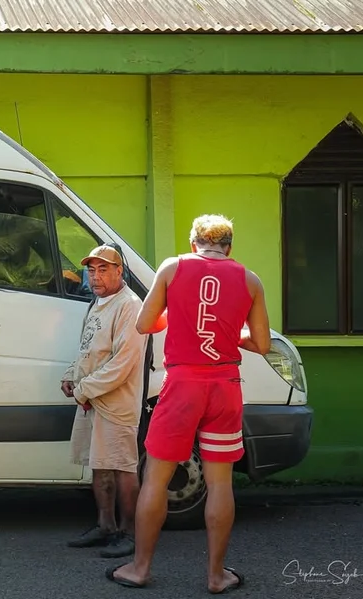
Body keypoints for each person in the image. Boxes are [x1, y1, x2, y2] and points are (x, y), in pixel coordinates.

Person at [106, 214, 270, 593]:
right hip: (225, 384)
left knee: (156, 479)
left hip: (182, 384)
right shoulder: (250, 279)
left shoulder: (173, 267)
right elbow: (262, 343)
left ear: (195, 242)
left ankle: (140, 568)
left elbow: (145, 324)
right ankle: (216, 576)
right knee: (219, 483)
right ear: (229, 247)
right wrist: (230, 331)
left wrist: (181, 316)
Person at [61, 245, 146, 559]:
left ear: (119, 271)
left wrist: (83, 389)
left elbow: (123, 364)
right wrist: (71, 374)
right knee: (99, 466)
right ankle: (105, 525)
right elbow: (88, 350)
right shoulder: (98, 302)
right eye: (91, 270)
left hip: (116, 402)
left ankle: (131, 533)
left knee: (123, 468)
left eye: (103, 270)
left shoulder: (130, 306)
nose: (95, 276)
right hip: (93, 399)